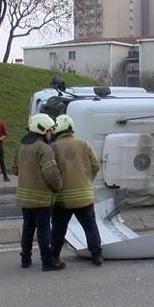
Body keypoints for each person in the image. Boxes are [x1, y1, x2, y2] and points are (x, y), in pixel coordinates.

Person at [12, 113, 65, 271]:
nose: (50, 134)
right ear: (42, 130)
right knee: (43, 230)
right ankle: (47, 262)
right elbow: (51, 174)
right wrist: (59, 186)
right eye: (49, 131)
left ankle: (25, 259)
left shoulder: (21, 146)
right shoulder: (44, 148)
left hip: (24, 196)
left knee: (28, 228)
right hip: (41, 198)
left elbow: (14, 169)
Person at [49, 114, 103, 266]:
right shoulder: (84, 144)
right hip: (85, 195)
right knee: (90, 226)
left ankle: (54, 256)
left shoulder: (53, 147)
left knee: (59, 229)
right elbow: (96, 165)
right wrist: (87, 181)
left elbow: (51, 171)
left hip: (63, 198)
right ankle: (97, 255)